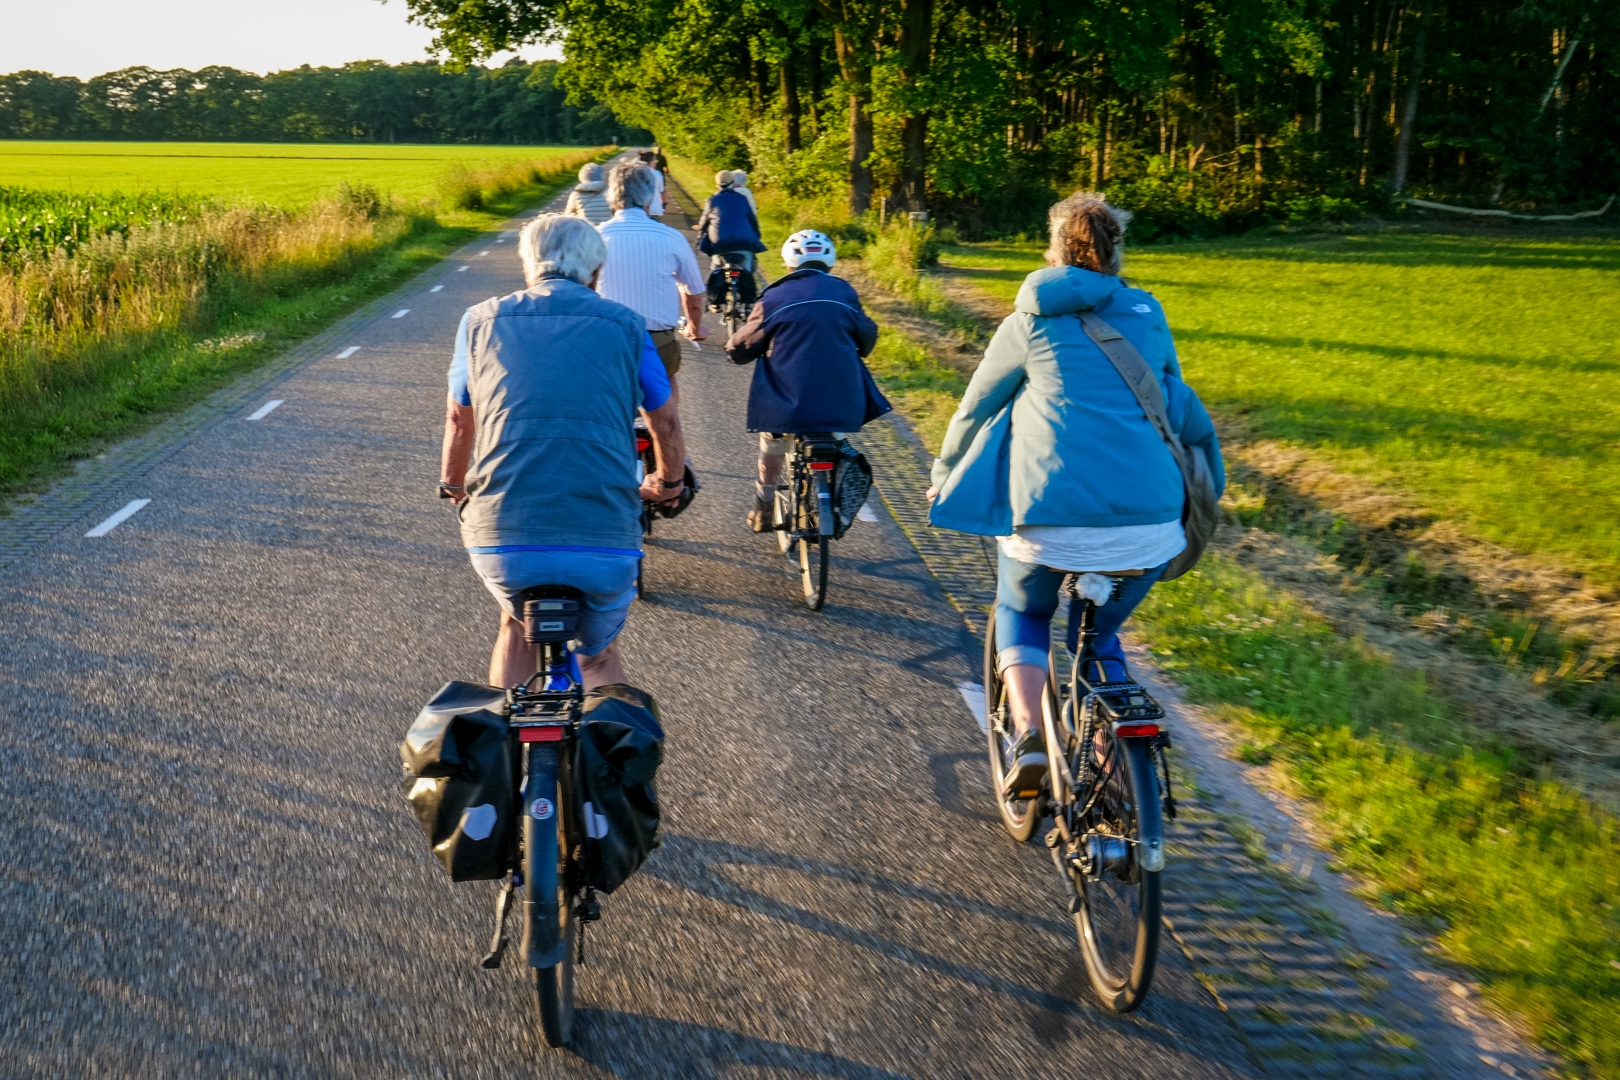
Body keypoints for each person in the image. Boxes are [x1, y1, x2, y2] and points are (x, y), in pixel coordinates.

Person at [926, 192, 1224, 793]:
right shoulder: (1147, 311)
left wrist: (945, 473)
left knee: (1023, 609)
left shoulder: (1029, 320)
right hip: (1152, 521)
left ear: (1055, 249)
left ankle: (1031, 737)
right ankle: (1117, 773)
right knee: (1100, 636)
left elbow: (976, 406)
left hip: (1047, 517)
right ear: (1117, 251)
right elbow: (1174, 403)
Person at [438, 214, 690, 689]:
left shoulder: (478, 322)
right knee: (598, 655)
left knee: (515, 626)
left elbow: (458, 418)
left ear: (528, 266)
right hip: (602, 536)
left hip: (504, 536)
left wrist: (454, 485)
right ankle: (602, 752)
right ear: (596, 272)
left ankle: (506, 752)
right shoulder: (627, 325)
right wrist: (669, 483)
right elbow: (665, 419)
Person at [726, 230, 889, 532]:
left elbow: (743, 345)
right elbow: (867, 336)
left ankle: (762, 506)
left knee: (772, 441)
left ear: (788, 262)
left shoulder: (774, 296)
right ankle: (835, 493)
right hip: (841, 398)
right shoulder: (845, 292)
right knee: (835, 439)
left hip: (786, 402)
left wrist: (734, 352)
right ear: (829, 261)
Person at [596, 162, 708, 402]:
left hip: (607, 341)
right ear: (650, 196)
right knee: (666, 395)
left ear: (612, 194)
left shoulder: (595, 236)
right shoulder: (672, 237)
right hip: (658, 341)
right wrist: (694, 329)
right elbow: (693, 294)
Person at [693, 170, 765, 312]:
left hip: (720, 245)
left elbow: (703, 224)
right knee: (748, 269)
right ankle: (749, 303)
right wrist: (757, 234)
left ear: (717, 184)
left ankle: (715, 302)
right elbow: (752, 220)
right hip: (744, 243)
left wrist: (700, 237)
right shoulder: (742, 199)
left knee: (716, 267)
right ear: (733, 183)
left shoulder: (712, 200)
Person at [638, 150, 667, 218]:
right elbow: (662, 191)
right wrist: (664, 202)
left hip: (641, 210)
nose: (655, 162)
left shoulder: (638, 173)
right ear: (651, 161)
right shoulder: (657, 174)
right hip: (655, 208)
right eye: (654, 160)